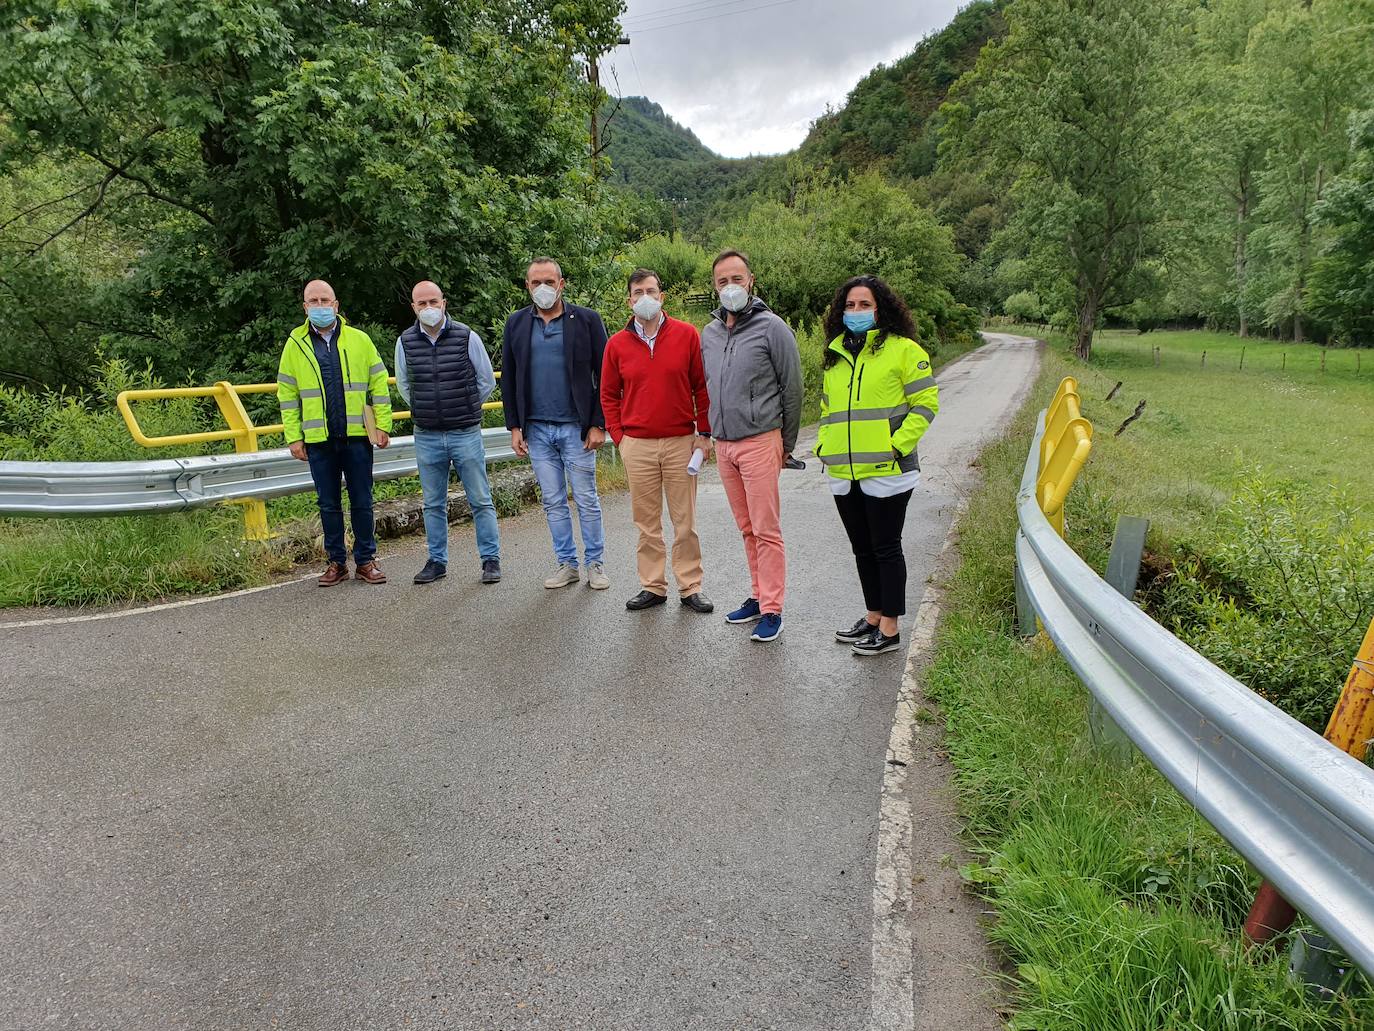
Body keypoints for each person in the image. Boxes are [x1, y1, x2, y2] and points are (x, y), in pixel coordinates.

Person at [817, 275, 939, 656]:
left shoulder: (904, 350)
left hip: (889, 471)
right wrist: (824, 445)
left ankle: (890, 628)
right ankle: (872, 616)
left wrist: (895, 446)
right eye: (850, 305)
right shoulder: (835, 355)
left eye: (864, 305)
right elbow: (826, 409)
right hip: (844, 471)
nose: (856, 312)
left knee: (886, 548)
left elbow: (925, 404)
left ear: (881, 308)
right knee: (862, 548)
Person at [699, 250, 803, 644]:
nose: (730, 287)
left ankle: (773, 608)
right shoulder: (708, 334)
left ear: (751, 281)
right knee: (746, 528)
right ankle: (758, 597)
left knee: (766, 529)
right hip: (725, 445)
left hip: (761, 440)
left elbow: (792, 389)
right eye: (722, 281)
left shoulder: (772, 328)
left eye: (736, 279)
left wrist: (786, 445)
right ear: (715, 286)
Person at [601, 268, 714, 614]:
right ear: (629, 300)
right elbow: (608, 395)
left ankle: (690, 586)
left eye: (651, 290)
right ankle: (653, 585)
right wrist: (620, 439)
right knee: (646, 523)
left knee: (685, 521)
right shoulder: (616, 344)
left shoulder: (686, 335)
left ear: (662, 296)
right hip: (638, 444)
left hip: (682, 440)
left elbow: (702, 387)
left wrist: (704, 434)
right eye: (638, 292)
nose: (645, 297)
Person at [501, 258, 612, 590]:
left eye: (549, 281)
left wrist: (598, 423)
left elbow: (605, 375)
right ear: (527, 286)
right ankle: (567, 564)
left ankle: (595, 563)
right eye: (536, 283)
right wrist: (515, 426)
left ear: (562, 284)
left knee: (586, 498)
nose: (543, 288)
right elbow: (509, 377)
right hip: (536, 429)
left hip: (575, 428)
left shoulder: (587, 320)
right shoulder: (517, 323)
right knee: (552, 501)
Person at [277, 279, 393, 586]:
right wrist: (294, 436)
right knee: (328, 504)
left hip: (356, 436)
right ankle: (336, 562)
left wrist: (383, 424)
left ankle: (366, 561)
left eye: (324, 300)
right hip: (319, 440)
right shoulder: (295, 344)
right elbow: (287, 394)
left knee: (362, 500)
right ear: (305, 307)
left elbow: (379, 384)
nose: (319, 306)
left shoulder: (359, 340)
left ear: (336, 305)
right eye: (313, 301)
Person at [395, 280, 501, 586]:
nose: (428, 308)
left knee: (480, 499)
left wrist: (465, 406)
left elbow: (486, 380)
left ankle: (490, 560)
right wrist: (426, 408)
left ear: (444, 302)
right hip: (427, 434)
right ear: (413, 307)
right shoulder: (405, 342)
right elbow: (405, 385)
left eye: (433, 301)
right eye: (421, 303)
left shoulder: (466, 335)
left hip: (465, 431)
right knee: (432, 503)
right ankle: (437, 561)